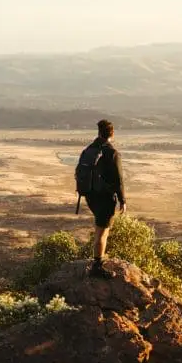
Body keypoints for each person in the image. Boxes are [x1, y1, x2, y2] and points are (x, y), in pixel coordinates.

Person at [75, 119, 126, 277]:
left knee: (100, 228)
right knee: (102, 232)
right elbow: (119, 180)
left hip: (90, 195)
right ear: (112, 133)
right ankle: (97, 266)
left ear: (99, 132)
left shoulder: (89, 150)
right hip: (104, 197)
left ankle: (98, 259)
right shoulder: (111, 153)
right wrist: (123, 201)